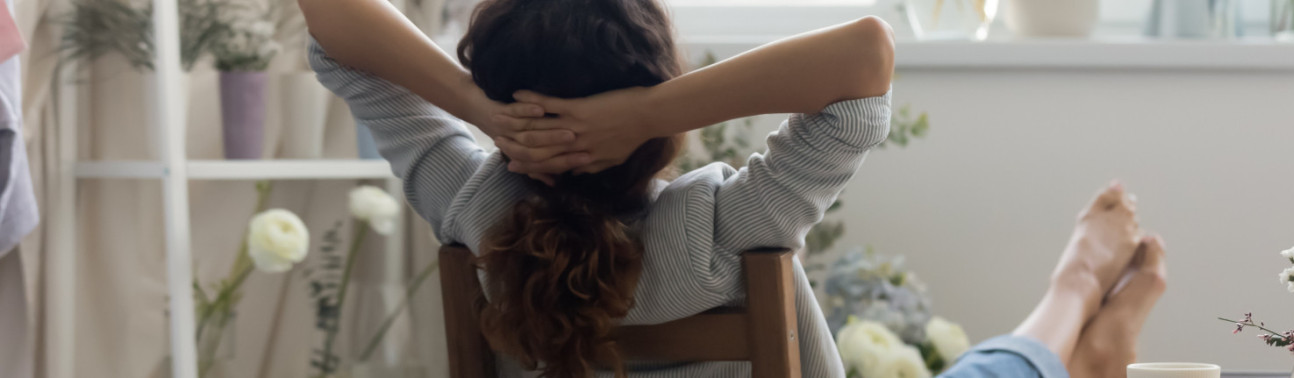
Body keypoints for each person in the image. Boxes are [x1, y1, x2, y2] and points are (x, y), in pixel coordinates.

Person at [298, 0, 1167, 376]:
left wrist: (476, 107)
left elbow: (332, 20)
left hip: (502, 140)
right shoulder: (721, 225)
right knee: (993, 371)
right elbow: (868, 55)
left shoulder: (472, 204)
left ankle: (1076, 323)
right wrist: (647, 109)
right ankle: (1077, 292)